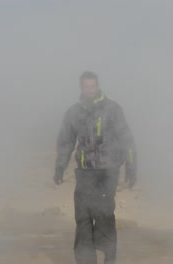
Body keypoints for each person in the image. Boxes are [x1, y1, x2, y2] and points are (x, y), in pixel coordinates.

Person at [54, 71, 137, 264]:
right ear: (81, 87)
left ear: (98, 86)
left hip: (107, 172)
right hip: (84, 172)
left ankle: (109, 257)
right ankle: (85, 259)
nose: (89, 90)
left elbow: (127, 140)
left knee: (104, 214)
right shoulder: (73, 112)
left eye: (92, 86)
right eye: (86, 86)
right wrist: (59, 167)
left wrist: (131, 167)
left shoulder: (113, 109)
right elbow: (66, 142)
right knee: (82, 215)